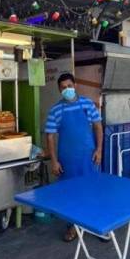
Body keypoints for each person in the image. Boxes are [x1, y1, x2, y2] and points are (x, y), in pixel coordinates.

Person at [45, 73, 103, 241]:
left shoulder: (87, 104)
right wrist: (54, 161)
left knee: (92, 190)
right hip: (67, 161)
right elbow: (50, 136)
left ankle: (98, 225)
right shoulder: (55, 110)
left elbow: (98, 127)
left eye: (69, 86)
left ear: (75, 85)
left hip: (89, 158)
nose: (67, 90)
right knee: (70, 195)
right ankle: (72, 227)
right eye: (63, 87)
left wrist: (99, 150)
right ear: (59, 90)